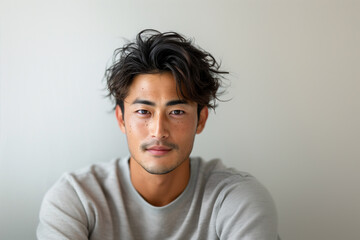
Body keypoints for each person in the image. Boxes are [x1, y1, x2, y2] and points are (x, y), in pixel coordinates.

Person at [37, 29, 280, 239]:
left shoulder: (236, 199)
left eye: (176, 112)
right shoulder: (76, 198)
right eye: (144, 111)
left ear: (201, 120)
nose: (158, 131)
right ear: (121, 119)